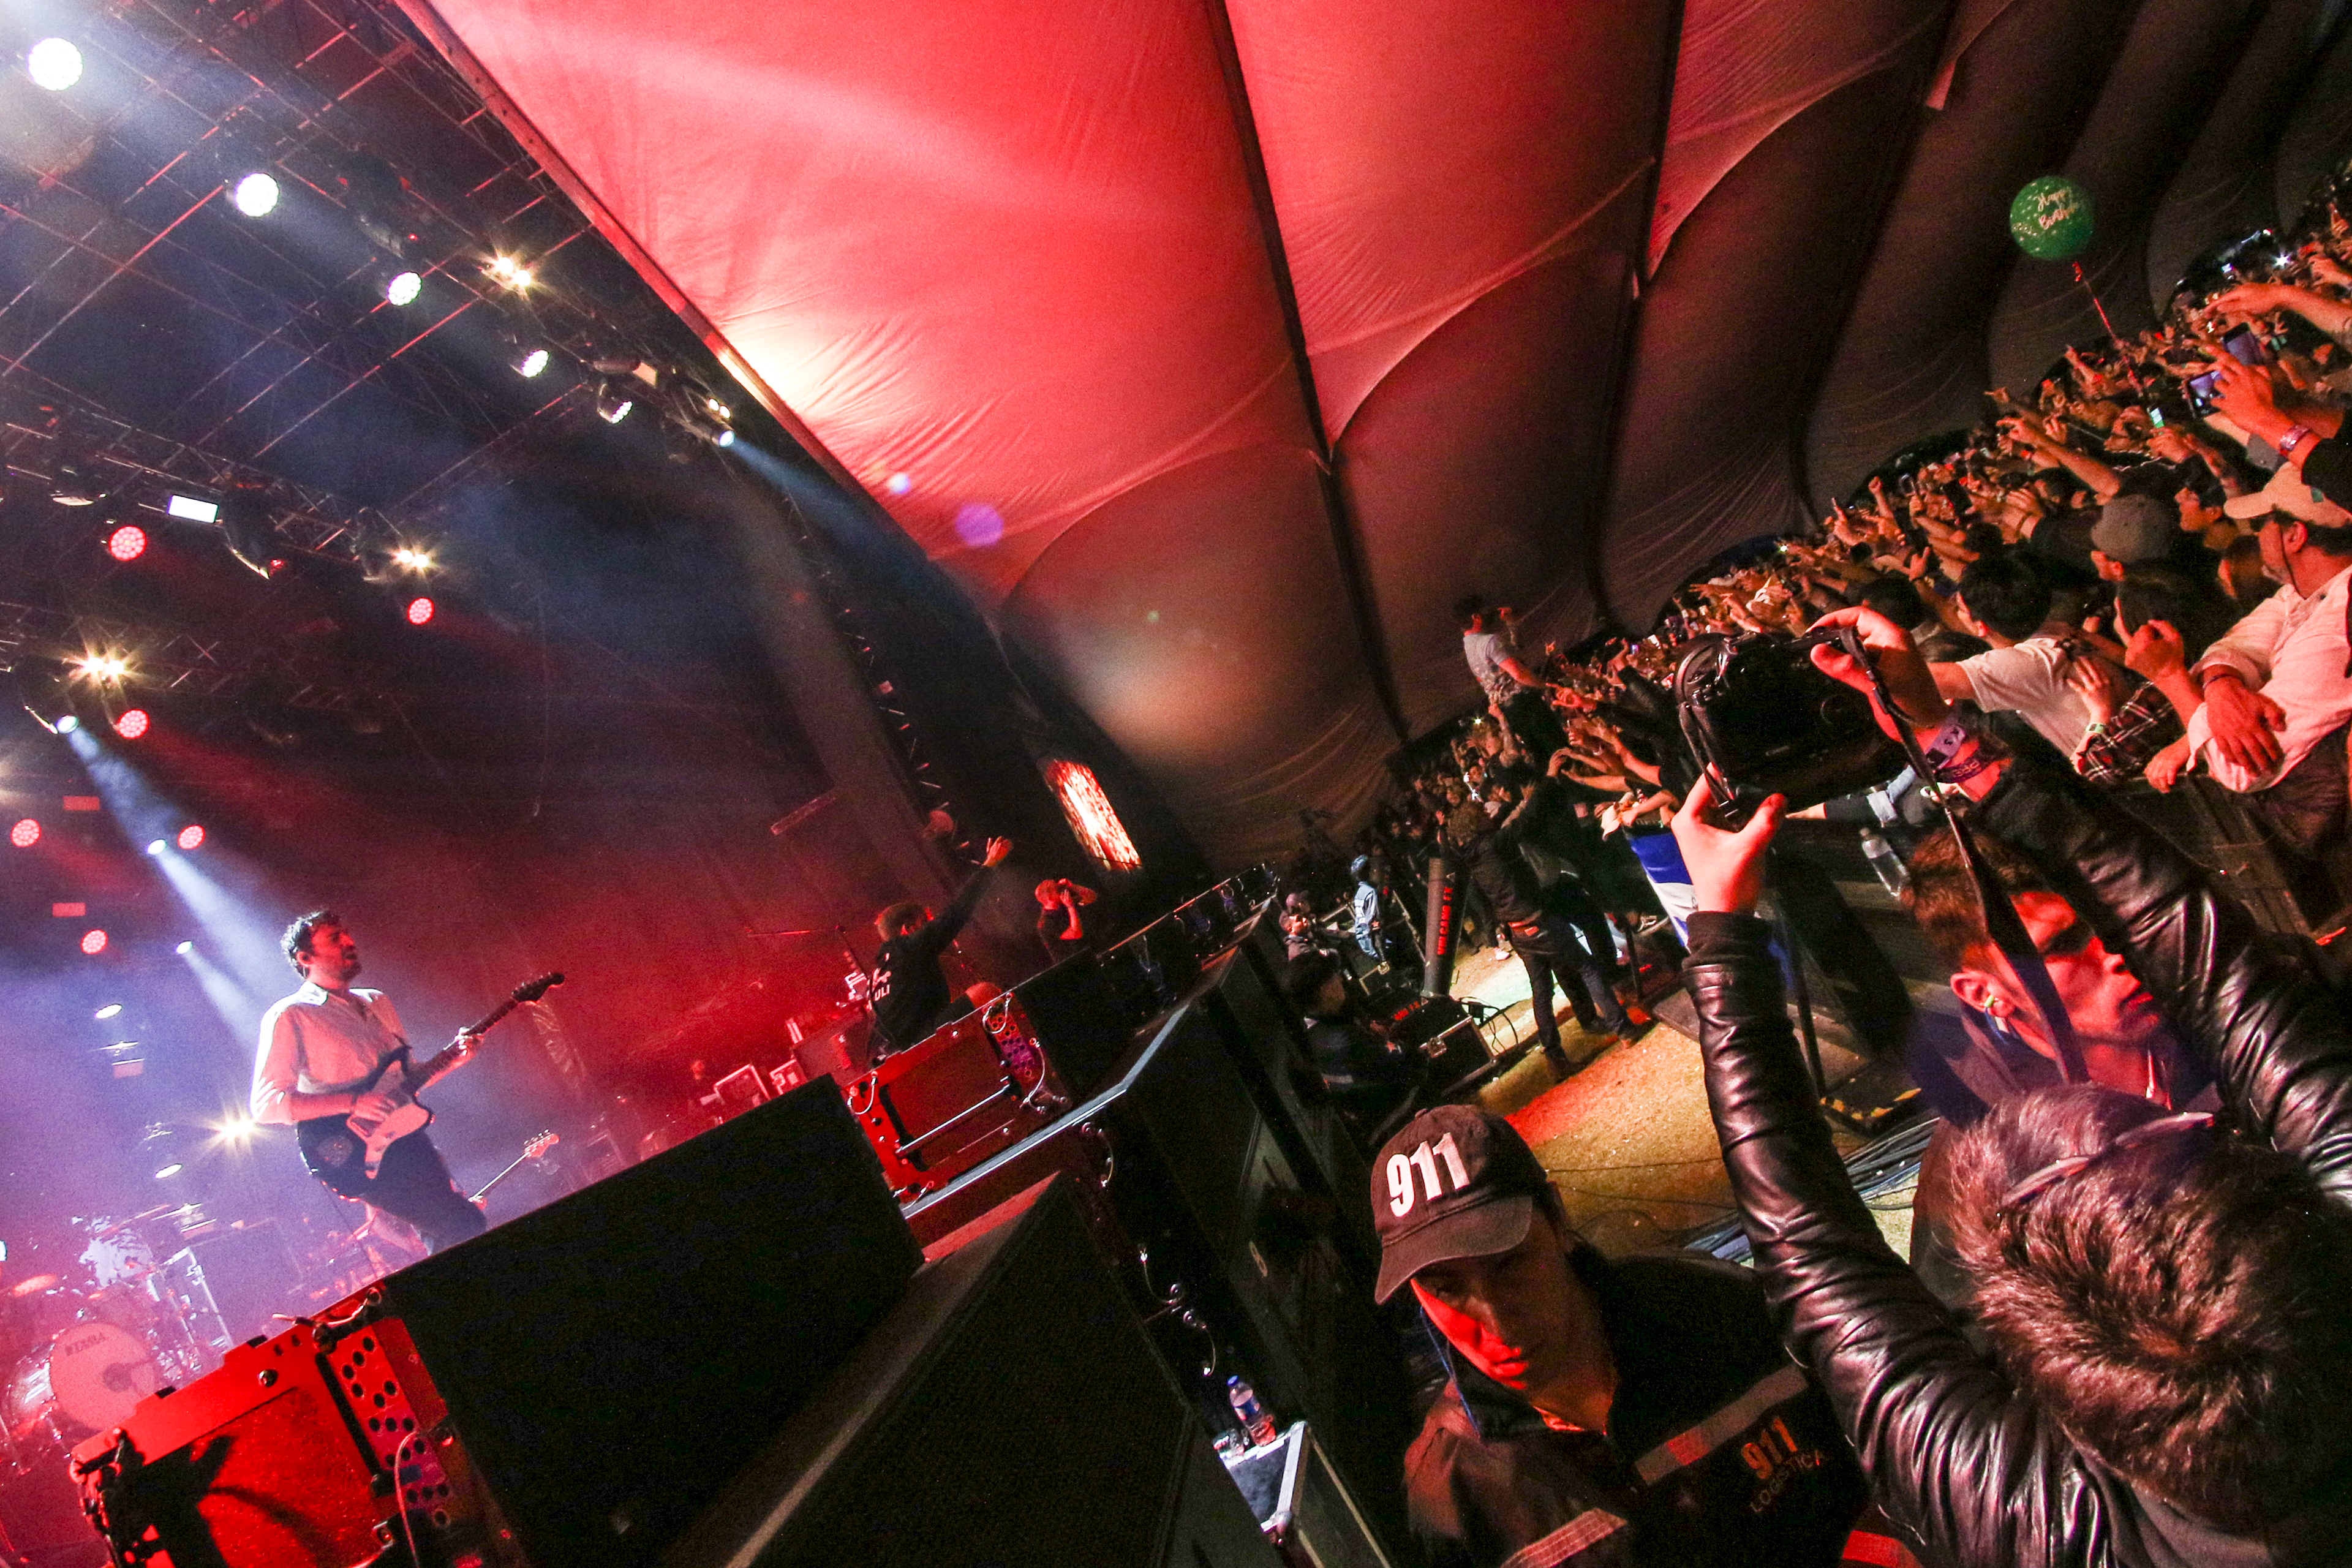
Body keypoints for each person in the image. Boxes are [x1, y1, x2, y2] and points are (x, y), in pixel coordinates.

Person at [1671, 601, 2352, 1562]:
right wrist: (1947, 737)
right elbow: (2210, 959)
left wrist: (1721, 933)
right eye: (2070, 946)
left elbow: (1812, 1262)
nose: (2116, 959)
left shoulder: (2048, 1525)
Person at [1373, 1105, 1896, 1568]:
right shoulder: (1449, 1491)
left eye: (1510, 1265)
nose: (1497, 1323)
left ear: (1558, 1218)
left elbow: (1895, 1453)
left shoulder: (1720, 1310)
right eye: (1447, 1288)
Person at [252, 910, 488, 1253]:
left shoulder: (377, 1001)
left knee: (455, 1228)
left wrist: (456, 1059)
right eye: (335, 938)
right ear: (305, 958)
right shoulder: (291, 1015)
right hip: (352, 1148)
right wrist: (354, 1103)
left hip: (407, 1135)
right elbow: (266, 1105)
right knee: (457, 1223)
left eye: (347, 933)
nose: (349, 942)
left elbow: (405, 1082)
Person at [2180, 465, 2352, 856]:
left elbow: (2241, 766)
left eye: (2262, 524)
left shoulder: (2334, 629)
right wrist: (2222, 686)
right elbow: (2242, 641)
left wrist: (2171, 678)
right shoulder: (2302, 591)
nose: (2255, 536)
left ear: (2294, 535)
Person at [1444, 802, 1630, 1076]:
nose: (1487, 814)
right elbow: (1525, 822)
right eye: (1482, 813)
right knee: (1587, 968)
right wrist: (1535, 794)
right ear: (1475, 821)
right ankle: (1623, 1029)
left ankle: (1555, 1056)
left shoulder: (1471, 857)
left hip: (1517, 930)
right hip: (1537, 922)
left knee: (1542, 992)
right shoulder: (1495, 844)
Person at [868, 836, 1012, 1057]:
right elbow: (956, 913)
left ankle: (997, 1059)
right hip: (918, 1047)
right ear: (908, 929)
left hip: (900, 1053)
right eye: (925, 922)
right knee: (984, 993)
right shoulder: (907, 948)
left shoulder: (881, 971)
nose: (931, 926)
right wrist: (990, 864)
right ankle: (1021, 1060)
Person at [1457, 594, 1566, 760]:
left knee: (1544, 757)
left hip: (1509, 711)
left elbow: (1515, 652)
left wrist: (1511, 625)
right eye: (1483, 613)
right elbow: (1518, 672)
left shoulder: (1469, 648)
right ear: (1476, 617)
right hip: (1525, 703)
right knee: (1559, 749)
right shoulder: (1488, 641)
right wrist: (1546, 686)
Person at [1033, 875, 1097, 962]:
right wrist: (1070, 907)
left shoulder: (1064, 902)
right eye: (1057, 889)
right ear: (1050, 898)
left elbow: (1092, 897)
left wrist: (1071, 886)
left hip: (1091, 951)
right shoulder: (1045, 923)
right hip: (1075, 962)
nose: (1061, 889)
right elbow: (1076, 933)